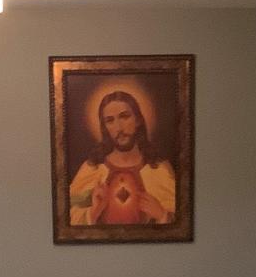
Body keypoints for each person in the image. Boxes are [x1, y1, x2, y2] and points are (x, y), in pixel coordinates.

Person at [68, 91, 176, 226]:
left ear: (137, 120)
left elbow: (184, 220)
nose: (119, 127)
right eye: (110, 121)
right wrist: (92, 213)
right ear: (105, 128)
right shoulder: (92, 168)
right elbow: (65, 217)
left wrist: (162, 215)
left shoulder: (159, 168)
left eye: (124, 117)